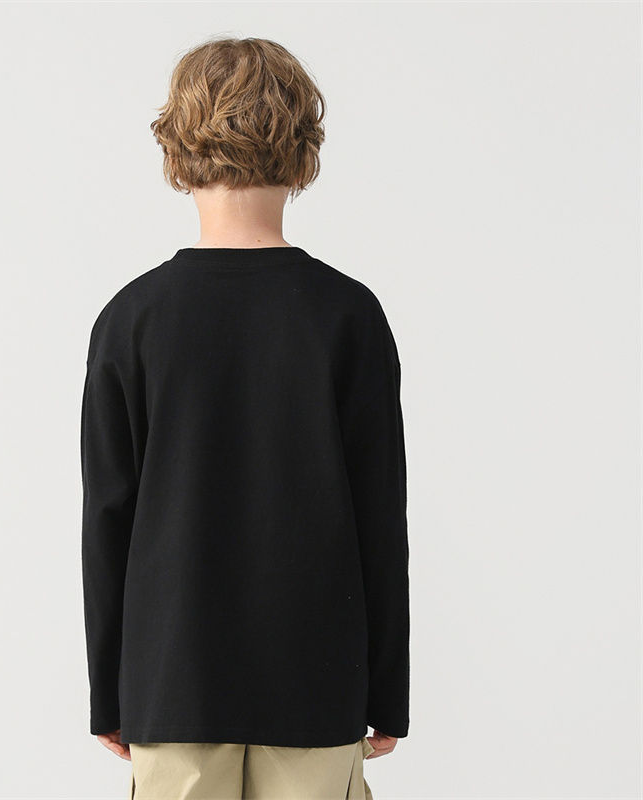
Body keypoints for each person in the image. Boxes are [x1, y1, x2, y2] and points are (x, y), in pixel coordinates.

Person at [81, 35, 410, 800]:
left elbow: (107, 519)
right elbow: (380, 517)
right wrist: (386, 690)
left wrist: (110, 691)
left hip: (173, 685)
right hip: (317, 681)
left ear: (175, 147)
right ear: (303, 150)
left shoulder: (132, 320)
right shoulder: (347, 316)